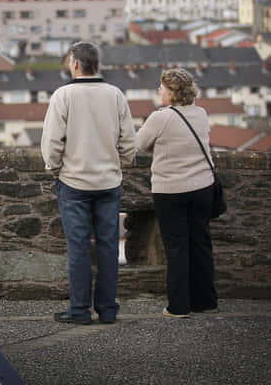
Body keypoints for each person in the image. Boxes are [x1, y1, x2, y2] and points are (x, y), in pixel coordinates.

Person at [41, 41, 136, 325]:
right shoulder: (115, 95)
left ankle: (80, 309)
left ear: (75, 64)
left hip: (74, 182)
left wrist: (55, 168)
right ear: (98, 64)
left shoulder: (64, 95)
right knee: (108, 247)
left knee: (79, 248)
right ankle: (107, 309)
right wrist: (122, 163)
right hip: (108, 181)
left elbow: (52, 142)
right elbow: (129, 142)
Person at [135, 68, 218, 318]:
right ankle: (205, 301)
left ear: (171, 93)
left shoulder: (161, 118)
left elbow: (139, 144)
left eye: (161, 88)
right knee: (201, 243)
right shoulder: (201, 114)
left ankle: (179, 306)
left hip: (171, 191)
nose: (159, 92)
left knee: (177, 247)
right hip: (203, 187)